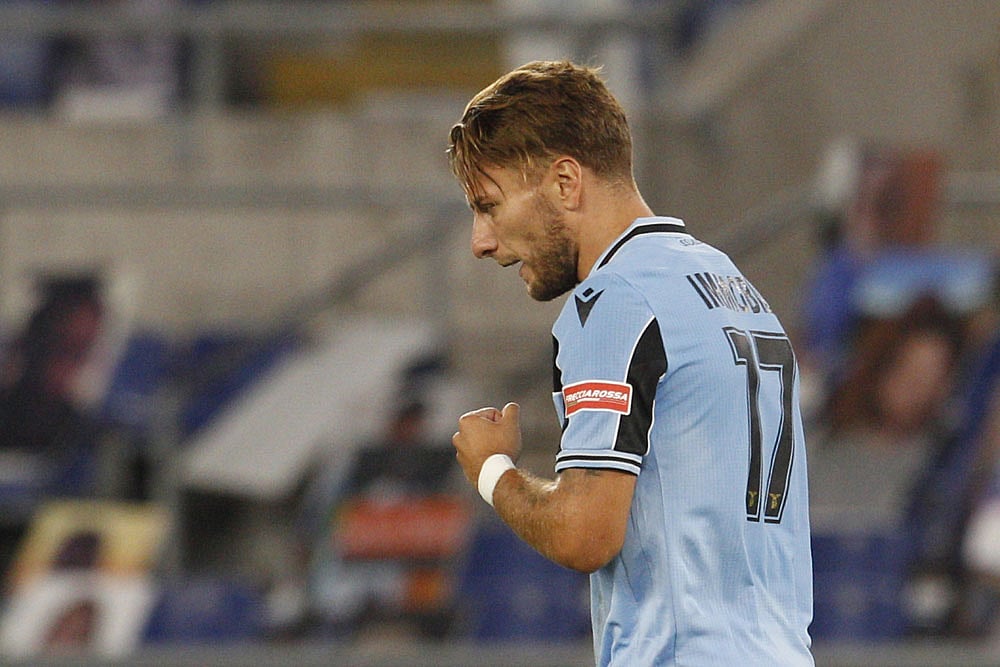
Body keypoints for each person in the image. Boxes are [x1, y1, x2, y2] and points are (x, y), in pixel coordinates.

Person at [447, 60, 814, 665]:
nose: (480, 242)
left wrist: (493, 471)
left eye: (489, 205)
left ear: (565, 182)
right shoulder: (728, 283)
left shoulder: (615, 301)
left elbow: (585, 533)